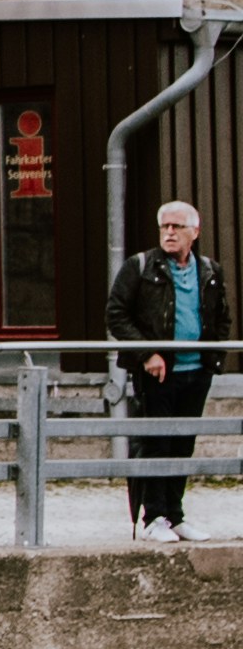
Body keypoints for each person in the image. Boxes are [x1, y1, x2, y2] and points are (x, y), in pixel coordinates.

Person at [109, 193, 219, 537]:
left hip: (195, 372)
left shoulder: (210, 270)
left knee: (183, 443)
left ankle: (175, 514)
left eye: (177, 227)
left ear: (194, 232)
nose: (169, 233)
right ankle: (154, 517)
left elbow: (221, 317)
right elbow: (116, 315)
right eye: (164, 227)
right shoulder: (140, 267)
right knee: (156, 441)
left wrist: (212, 358)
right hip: (157, 372)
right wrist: (148, 354)